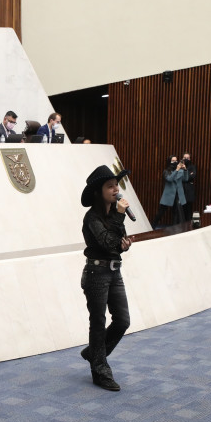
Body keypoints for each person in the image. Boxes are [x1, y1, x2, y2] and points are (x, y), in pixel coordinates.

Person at [78, 165, 132, 392]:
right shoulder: (92, 217)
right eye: (109, 186)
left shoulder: (114, 215)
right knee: (98, 323)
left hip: (114, 271)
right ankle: (100, 370)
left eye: (116, 185)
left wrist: (124, 246)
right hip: (96, 273)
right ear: (98, 192)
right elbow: (107, 242)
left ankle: (94, 353)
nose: (115, 190)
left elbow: (116, 244)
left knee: (122, 320)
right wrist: (119, 218)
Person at [151, 156, 186, 228]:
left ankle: (174, 228)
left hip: (177, 194)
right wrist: (176, 170)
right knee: (161, 212)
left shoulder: (180, 170)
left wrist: (185, 170)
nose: (175, 162)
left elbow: (186, 179)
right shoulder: (166, 171)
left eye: (176, 160)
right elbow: (169, 179)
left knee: (176, 213)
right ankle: (152, 226)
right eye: (173, 161)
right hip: (168, 195)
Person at [179, 152, 197, 221]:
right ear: (182, 158)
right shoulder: (179, 167)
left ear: (190, 159)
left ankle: (188, 226)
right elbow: (180, 178)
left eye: (187, 158)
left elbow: (191, 177)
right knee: (180, 210)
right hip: (181, 190)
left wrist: (185, 170)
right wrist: (188, 175)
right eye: (184, 158)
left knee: (189, 210)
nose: (186, 159)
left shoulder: (193, 167)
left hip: (189, 191)